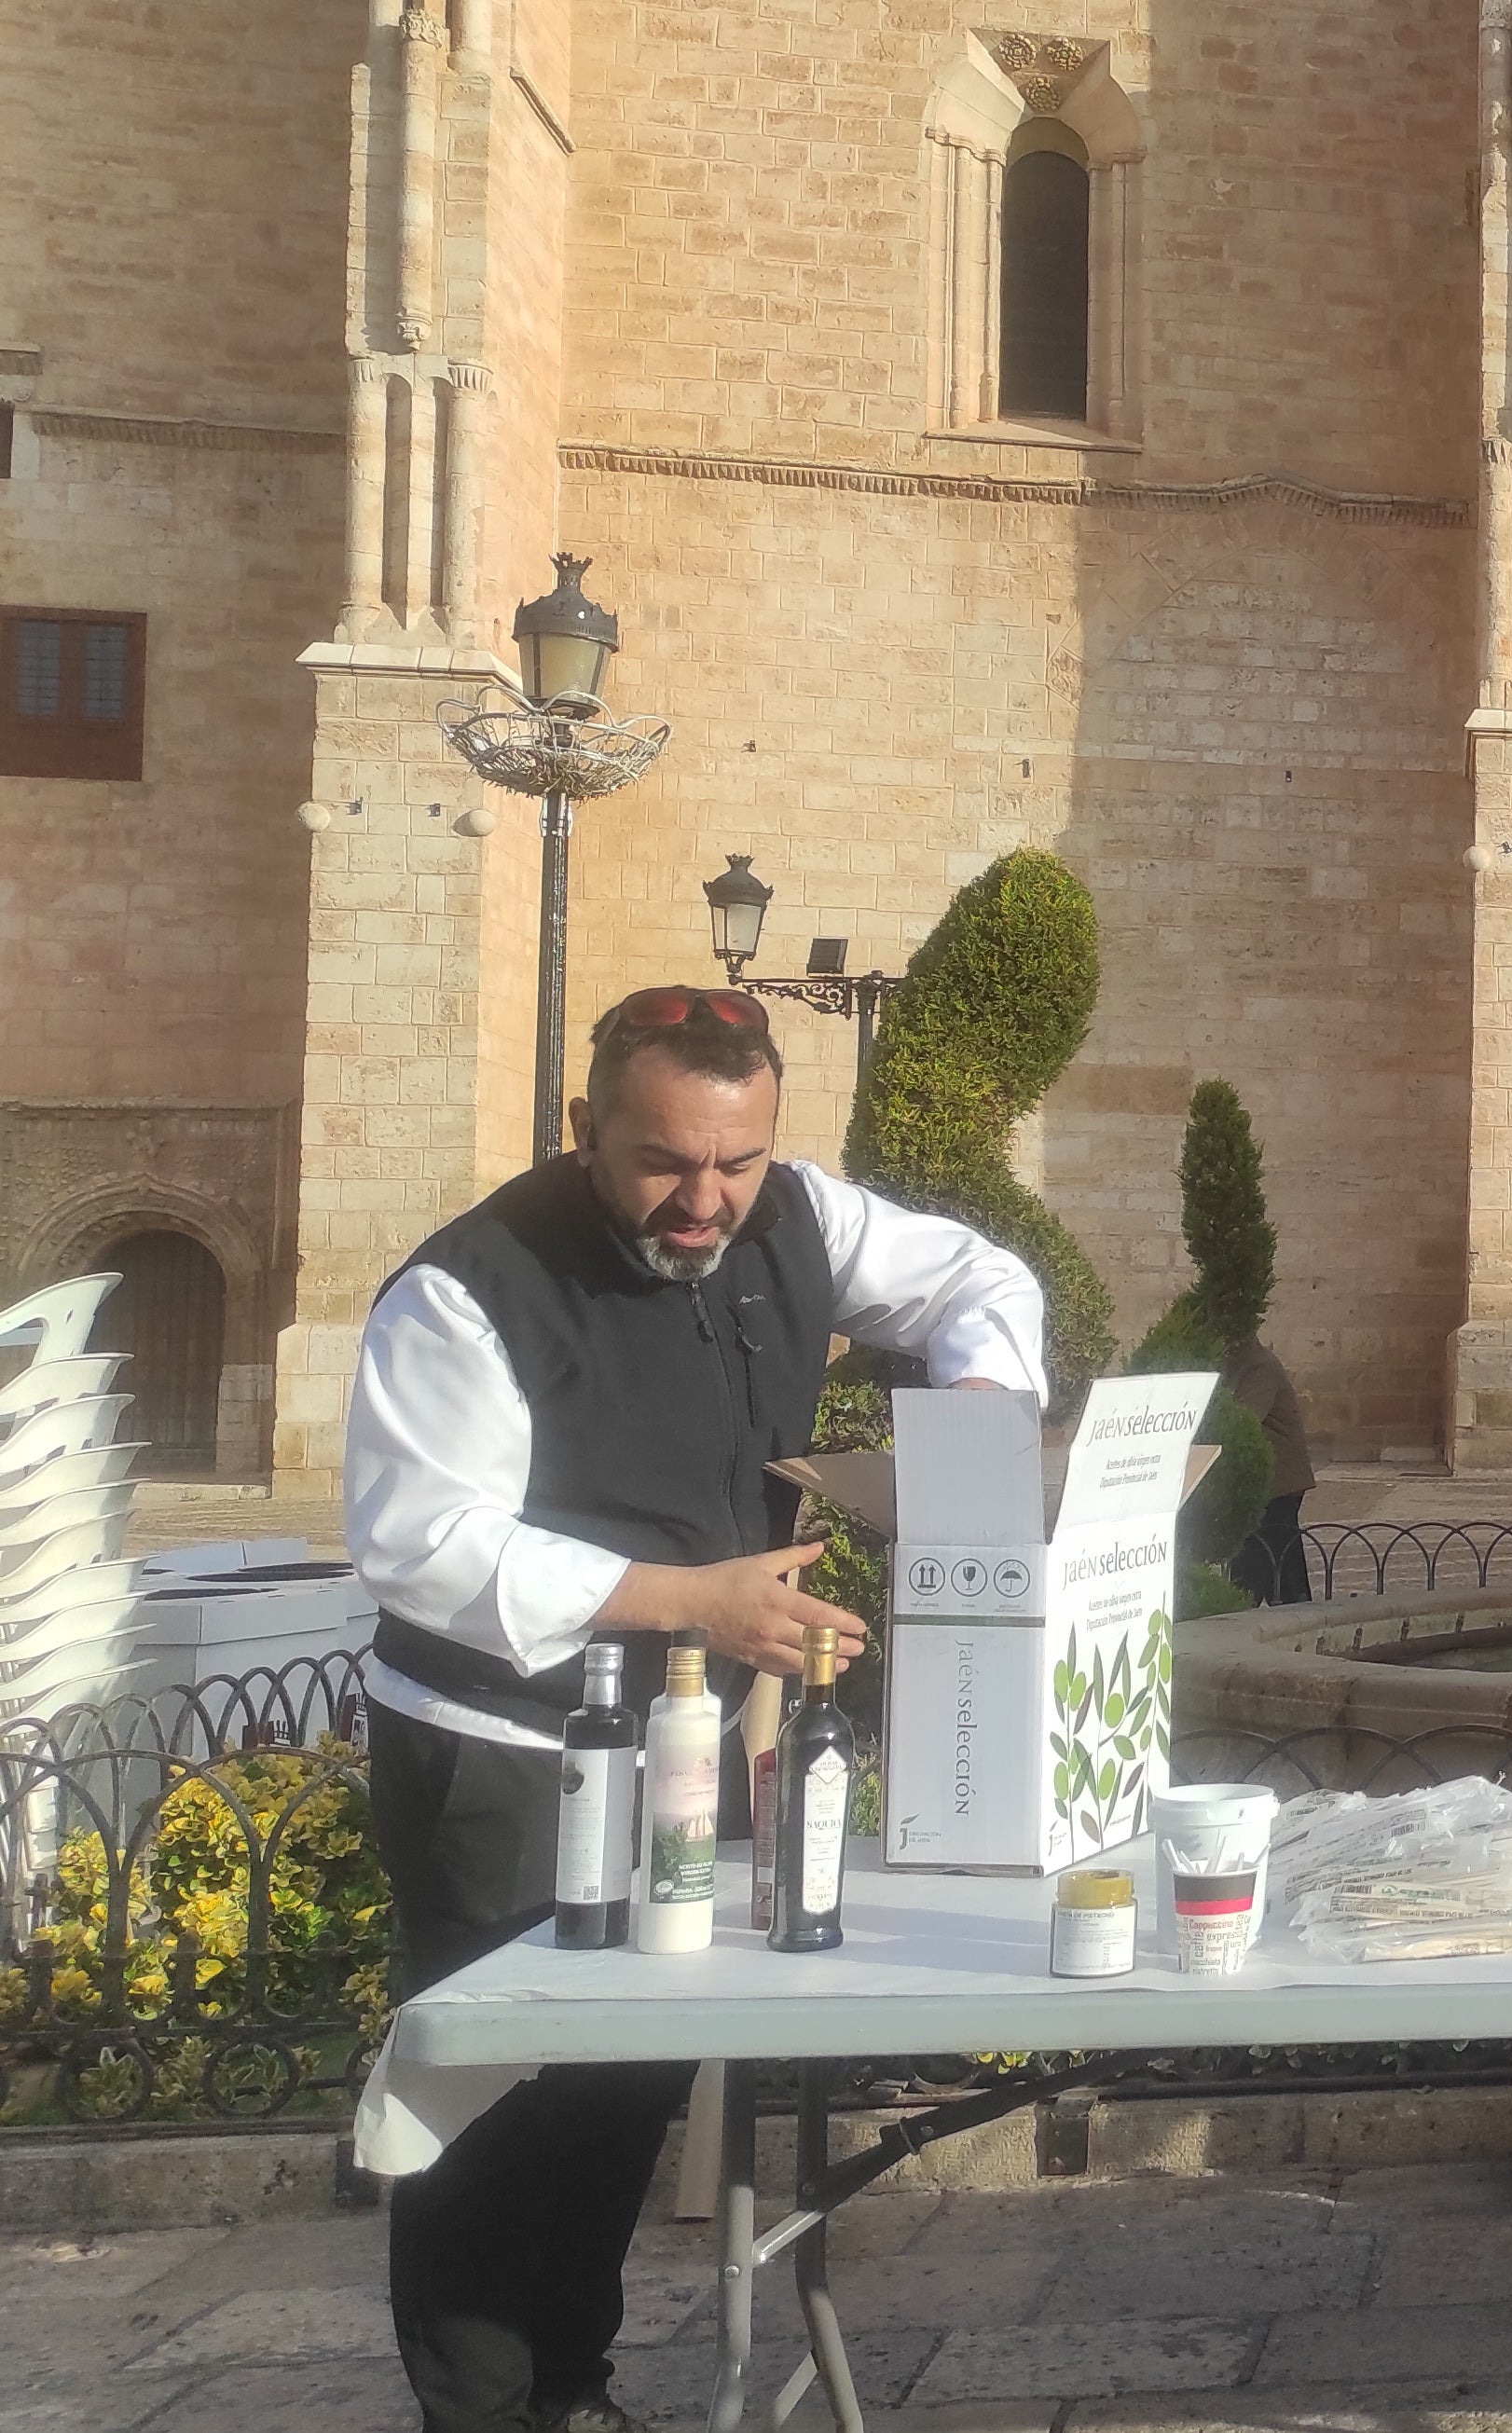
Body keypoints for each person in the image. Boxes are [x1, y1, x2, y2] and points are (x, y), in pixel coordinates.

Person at [350, 984, 1045, 2433]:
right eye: (667, 1161)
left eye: (738, 1161)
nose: (706, 1198)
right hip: (502, 1747)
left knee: (628, 2070)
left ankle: (570, 2385)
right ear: (586, 1126)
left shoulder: (797, 1213)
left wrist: (977, 1403)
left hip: (681, 1730)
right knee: (499, 2105)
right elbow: (424, 1541)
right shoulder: (467, 1286)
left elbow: (981, 1278)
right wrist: (695, 1601)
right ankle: (478, 2412)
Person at [1222, 1327, 1316, 1604]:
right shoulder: (1242, 1364)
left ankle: (1241, 1610)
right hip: (1269, 1483)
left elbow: (1245, 1418)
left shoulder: (1258, 1366)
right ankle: (1294, 1611)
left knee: (1259, 1554)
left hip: (1278, 1482)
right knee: (1282, 1560)